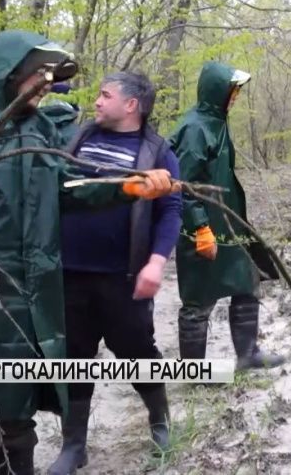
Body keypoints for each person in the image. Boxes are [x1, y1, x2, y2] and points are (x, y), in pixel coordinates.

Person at [0, 30, 176, 475]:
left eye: (52, 75)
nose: (48, 83)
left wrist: (126, 187)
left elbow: (67, 189)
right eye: (41, 72)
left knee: (15, 421)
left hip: (25, 299)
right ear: (12, 70)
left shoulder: (40, 129)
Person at [48, 72, 182, 474]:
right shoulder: (77, 138)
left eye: (106, 95)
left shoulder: (156, 150)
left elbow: (171, 210)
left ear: (131, 105)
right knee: (75, 359)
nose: (97, 101)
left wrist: (157, 262)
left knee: (138, 352)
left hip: (123, 277)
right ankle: (74, 445)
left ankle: (159, 422)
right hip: (68, 273)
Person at [169, 61, 285, 372]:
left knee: (247, 281)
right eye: (232, 91)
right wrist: (200, 228)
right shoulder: (195, 128)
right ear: (216, 91)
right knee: (199, 298)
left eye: (236, 92)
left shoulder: (216, 121)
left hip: (228, 222)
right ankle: (192, 370)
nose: (235, 97)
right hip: (202, 226)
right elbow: (184, 185)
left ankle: (247, 355)